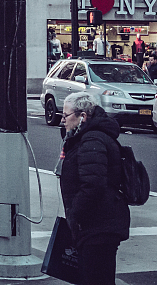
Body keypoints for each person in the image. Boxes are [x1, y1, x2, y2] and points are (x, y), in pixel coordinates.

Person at [57, 93, 130, 285]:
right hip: (98, 223)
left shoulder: (92, 141)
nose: (62, 121)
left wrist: (75, 214)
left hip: (98, 225)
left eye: (66, 116)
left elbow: (93, 185)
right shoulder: (86, 138)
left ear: (82, 116)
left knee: (96, 278)